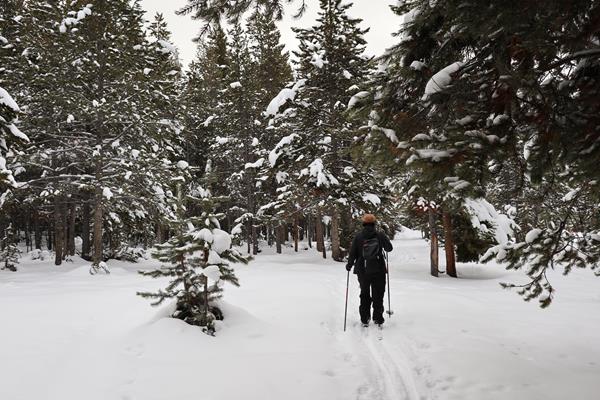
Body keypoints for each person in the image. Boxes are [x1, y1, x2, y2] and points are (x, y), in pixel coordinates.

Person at [345, 214, 393, 327]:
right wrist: (383, 238)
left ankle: (365, 319)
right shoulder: (380, 235)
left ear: (364, 223)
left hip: (363, 270)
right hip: (378, 269)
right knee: (378, 294)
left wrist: (349, 265)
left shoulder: (359, 236)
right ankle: (378, 318)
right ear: (374, 223)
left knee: (364, 294)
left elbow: (353, 253)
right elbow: (389, 249)